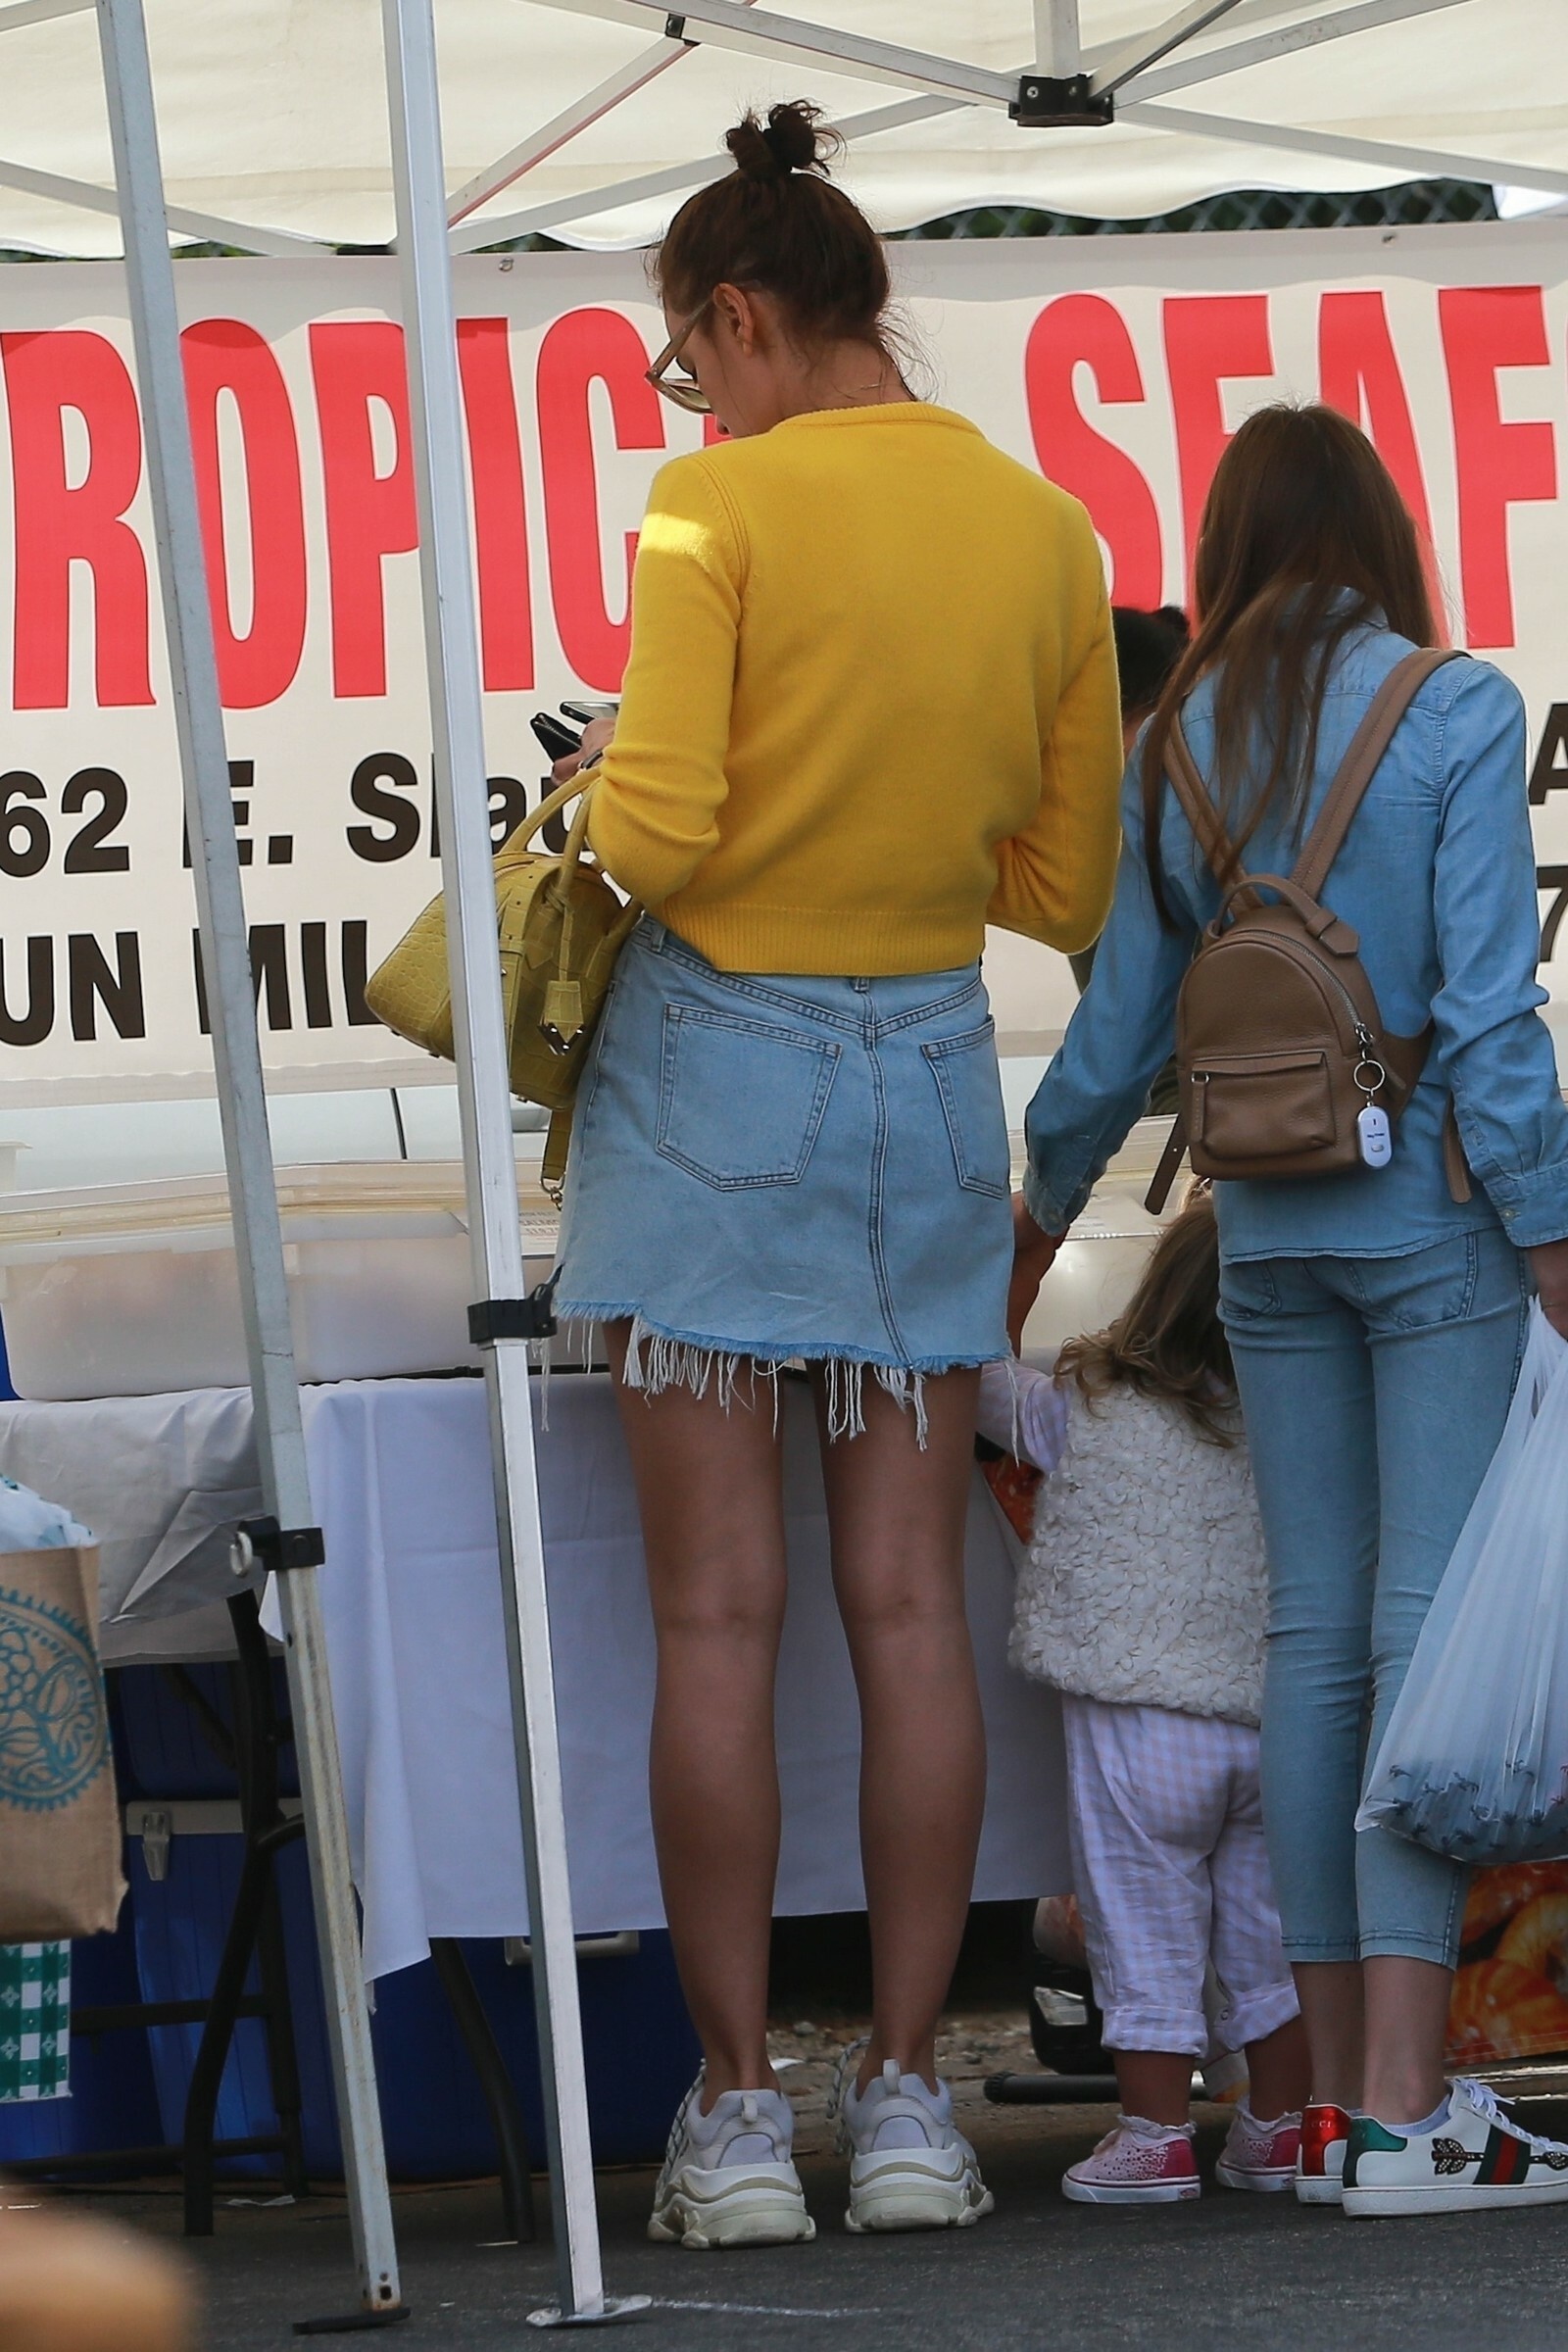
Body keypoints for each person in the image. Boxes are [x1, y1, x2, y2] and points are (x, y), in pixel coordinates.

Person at [548, 101, 1123, 2248]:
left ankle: (729, 2115)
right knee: (909, 1615)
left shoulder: (712, 507)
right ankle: (903, 2108)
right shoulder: (1045, 529)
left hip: (713, 1069)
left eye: (683, 363)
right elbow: (1064, 884)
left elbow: (657, 832)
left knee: (717, 1615)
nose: (688, 403)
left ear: (736, 317)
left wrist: (589, 789)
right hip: (924, 1074)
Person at [1012, 402, 1568, 2216]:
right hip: (1436, 1224)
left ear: (1230, 548)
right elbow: (1489, 1015)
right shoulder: (1454, 710)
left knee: (1313, 1637)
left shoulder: (1177, 741)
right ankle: (1409, 2106)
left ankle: (1330, 2106)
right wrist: (1555, 1226)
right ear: (1381, 536)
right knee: (1416, 1634)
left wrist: (1038, 1213)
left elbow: (1118, 1036)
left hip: (1260, 1231)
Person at [979, 1191, 1309, 2202]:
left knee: (1142, 1927)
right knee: (1273, 1939)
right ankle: (1279, 2128)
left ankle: (1155, 2139)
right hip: (1272, 1716)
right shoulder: (1311, 1420)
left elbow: (976, 1376)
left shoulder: (1086, 1404)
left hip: (1139, 1721)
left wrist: (1023, 1258)